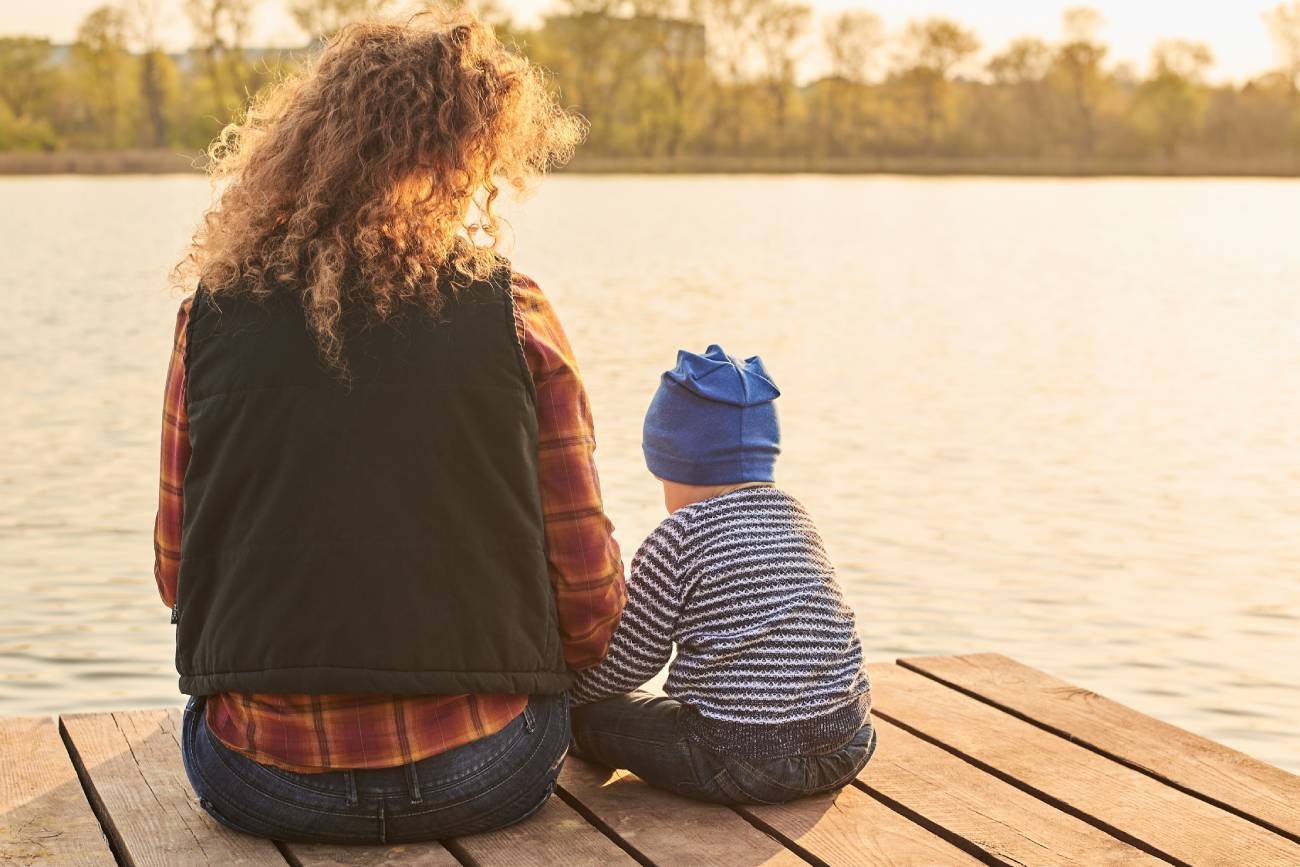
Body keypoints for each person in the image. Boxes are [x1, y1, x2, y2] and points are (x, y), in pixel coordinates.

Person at [153, 12, 625, 844]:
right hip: (486, 770)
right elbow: (588, 604)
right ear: (462, 159)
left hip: (262, 779)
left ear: (302, 150)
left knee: (208, 713)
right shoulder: (514, 315)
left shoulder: (211, 321)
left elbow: (175, 572)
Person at [568, 344, 875, 804]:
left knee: (592, 720)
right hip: (848, 744)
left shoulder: (680, 535)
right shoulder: (794, 516)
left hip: (738, 762)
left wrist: (573, 694)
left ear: (673, 463)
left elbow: (634, 660)